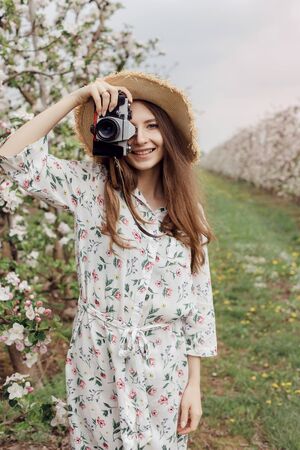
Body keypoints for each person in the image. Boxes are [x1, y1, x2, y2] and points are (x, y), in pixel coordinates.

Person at [0, 70, 218, 450]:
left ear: (168, 133)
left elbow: (197, 302)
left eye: (152, 125)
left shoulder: (187, 210)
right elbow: (11, 156)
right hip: (97, 361)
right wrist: (78, 96)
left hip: (163, 366)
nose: (141, 138)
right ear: (112, 132)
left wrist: (193, 386)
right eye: (127, 126)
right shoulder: (90, 187)